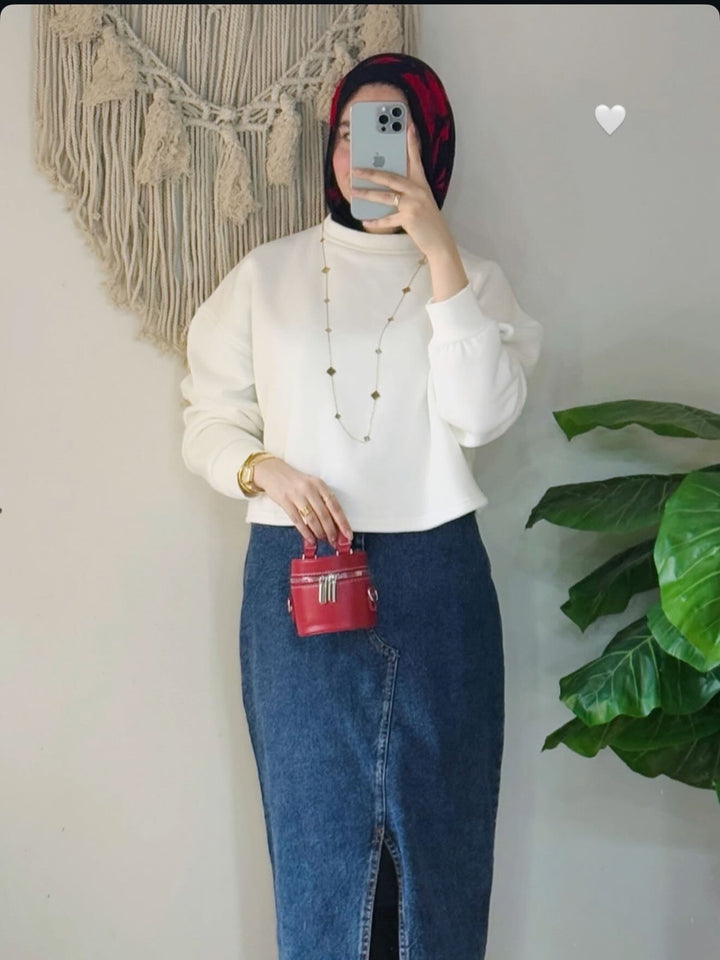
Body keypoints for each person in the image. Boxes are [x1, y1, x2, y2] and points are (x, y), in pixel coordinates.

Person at [180, 52, 542, 960]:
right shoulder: (266, 276)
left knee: (443, 844)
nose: (360, 153)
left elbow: (482, 415)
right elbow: (207, 417)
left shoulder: (475, 281)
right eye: (346, 132)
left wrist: (438, 250)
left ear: (431, 146)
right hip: (299, 576)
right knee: (317, 844)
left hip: (438, 580)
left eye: (389, 131)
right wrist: (264, 469)